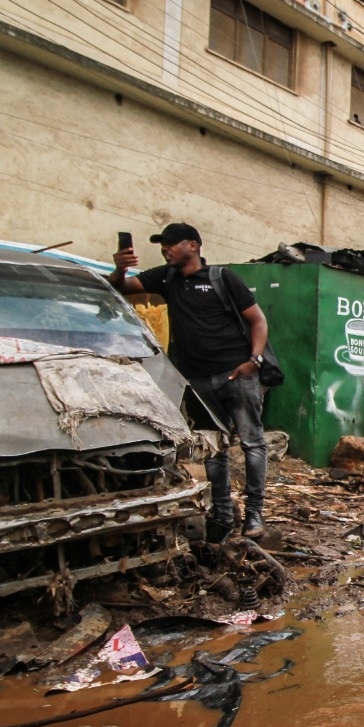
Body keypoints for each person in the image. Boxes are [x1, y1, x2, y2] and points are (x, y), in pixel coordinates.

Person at [109, 222, 271, 540]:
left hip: (237, 376)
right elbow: (120, 288)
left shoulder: (222, 278)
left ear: (193, 245)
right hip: (197, 382)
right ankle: (222, 514)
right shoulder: (166, 277)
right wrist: (119, 269)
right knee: (213, 449)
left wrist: (253, 362)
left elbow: (258, 320)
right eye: (162, 245)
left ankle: (254, 513)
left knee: (252, 442)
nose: (165, 250)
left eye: (171, 243)